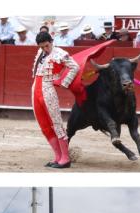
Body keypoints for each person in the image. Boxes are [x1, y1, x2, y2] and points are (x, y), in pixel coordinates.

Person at [32, 31, 80, 168]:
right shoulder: (40, 53)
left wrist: (65, 82)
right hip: (35, 90)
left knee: (56, 123)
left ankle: (65, 158)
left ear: (51, 42)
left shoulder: (59, 53)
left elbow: (75, 66)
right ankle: (58, 156)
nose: (44, 49)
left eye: (46, 46)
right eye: (42, 47)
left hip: (48, 91)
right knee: (44, 125)